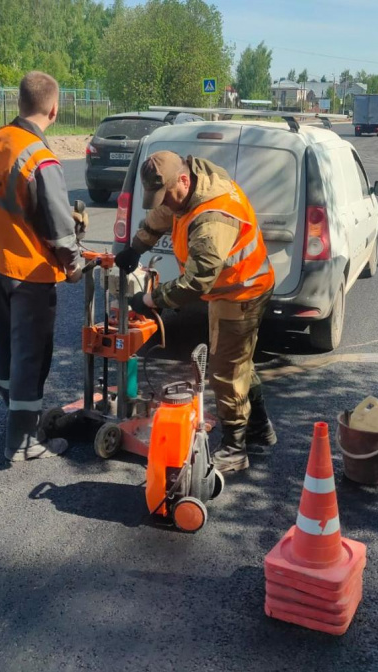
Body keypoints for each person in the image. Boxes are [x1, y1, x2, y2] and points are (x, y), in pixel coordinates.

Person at [114, 151, 275, 473]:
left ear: (184, 181)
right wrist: (136, 247)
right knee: (237, 361)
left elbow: (196, 282)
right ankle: (260, 428)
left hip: (242, 292)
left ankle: (235, 448)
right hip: (229, 289)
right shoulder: (189, 188)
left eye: (169, 195)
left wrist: (151, 301)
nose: (168, 203)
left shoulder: (214, 216)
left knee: (225, 371)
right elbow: (164, 213)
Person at [0, 71, 86, 463]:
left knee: (1, 340)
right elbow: (59, 233)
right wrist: (74, 267)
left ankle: (12, 408)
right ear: (54, 109)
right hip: (27, 272)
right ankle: (22, 443)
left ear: (19, 103)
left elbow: (14, 202)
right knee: (30, 353)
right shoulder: (40, 158)